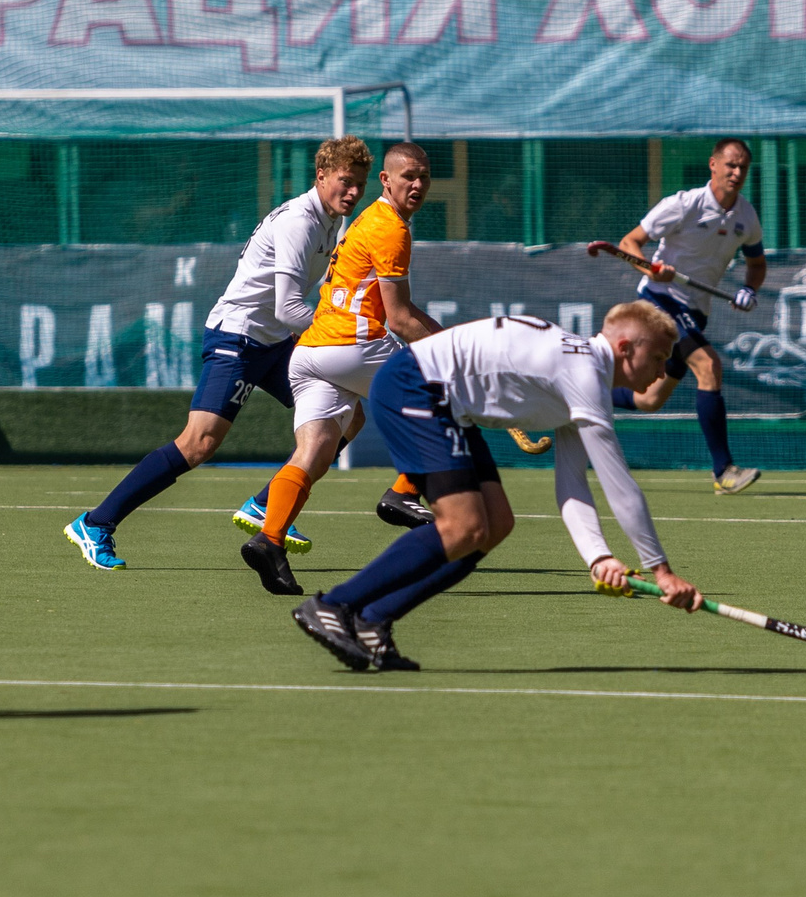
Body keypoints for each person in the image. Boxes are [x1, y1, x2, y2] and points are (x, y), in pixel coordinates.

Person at [291, 302, 700, 673]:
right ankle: (335, 605)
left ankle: (372, 619)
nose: (662, 373)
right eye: (660, 358)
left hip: (446, 404)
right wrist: (661, 571)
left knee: (497, 523)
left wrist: (598, 557)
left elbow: (573, 483)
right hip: (412, 387)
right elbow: (620, 485)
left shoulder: (583, 371)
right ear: (626, 348)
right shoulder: (586, 375)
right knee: (463, 526)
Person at [65, 136, 368, 571]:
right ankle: (95, 523)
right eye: (345, 181)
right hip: (239, 337)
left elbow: (302, 302)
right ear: (321, 176)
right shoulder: (301, 221)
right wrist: (344, 335)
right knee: (199, 442)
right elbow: (287, 307)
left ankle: (267, 504)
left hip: (275, 341)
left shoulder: (331, 222)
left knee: (348, 416)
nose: (353, 192)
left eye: (359, 184)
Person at [238, 140, 447, 595]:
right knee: (446, 391)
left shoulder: (368, 218)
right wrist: (454, 348)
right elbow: (400, 317)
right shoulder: (390, 227)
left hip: (310, 352)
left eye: (424, 177)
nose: (417, 184)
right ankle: (404, 492)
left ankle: (270, 539)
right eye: (408, 175)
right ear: (387, 181)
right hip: (352, 345)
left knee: (314, 451)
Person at [613, 137, 768, 495]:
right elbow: (628, 243)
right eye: (730, 164)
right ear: (712, 165)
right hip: (660, 300)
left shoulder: (746, 216)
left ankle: (582, 392)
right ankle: (724, 472)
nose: (737, 172)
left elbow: (757, 264)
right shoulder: (683, 205)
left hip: (696, 311)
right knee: (709, 366)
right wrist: (652, 269)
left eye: (743, 166)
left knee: (649, 400)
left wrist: (750, 290)